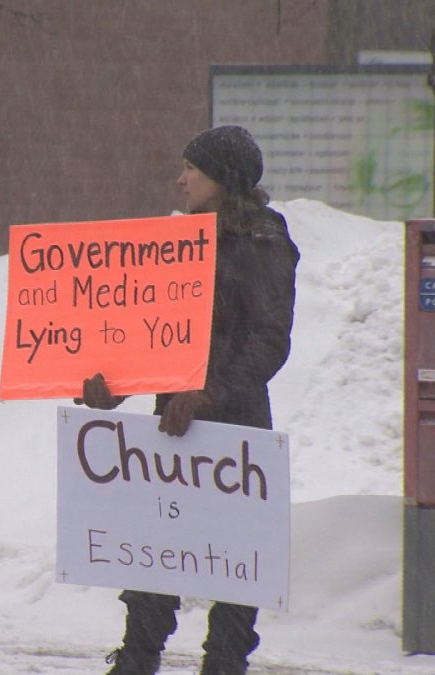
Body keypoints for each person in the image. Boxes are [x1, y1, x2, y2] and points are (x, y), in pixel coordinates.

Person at [80, 125, 300, 675]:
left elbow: (270, 339)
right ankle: (136, 661)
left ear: (222, 179)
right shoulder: (179, 245)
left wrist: (211, 391)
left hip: (235, 429)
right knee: (157, 551)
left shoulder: (263, 242)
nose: (180, 180)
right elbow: (156, 334)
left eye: (191, 170)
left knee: (232, 568)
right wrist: (114, 386)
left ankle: (224, 667)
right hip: (173, 424)